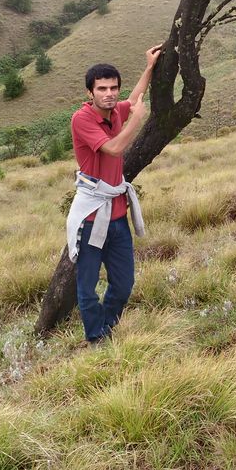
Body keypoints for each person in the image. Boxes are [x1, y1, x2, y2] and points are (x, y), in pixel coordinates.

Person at [66, 44, 162, 345]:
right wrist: (138, 118)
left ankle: (106, 328)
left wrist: (149, 67)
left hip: (117, 216)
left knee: (123, 285)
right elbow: (115, 148)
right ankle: (96, 339)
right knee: (87, 285)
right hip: (92, 217)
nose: (109, 93)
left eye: (113, 88)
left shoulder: (117, 110)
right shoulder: (81, 119)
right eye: (102, 88)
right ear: (89, 93)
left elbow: (133, 100)